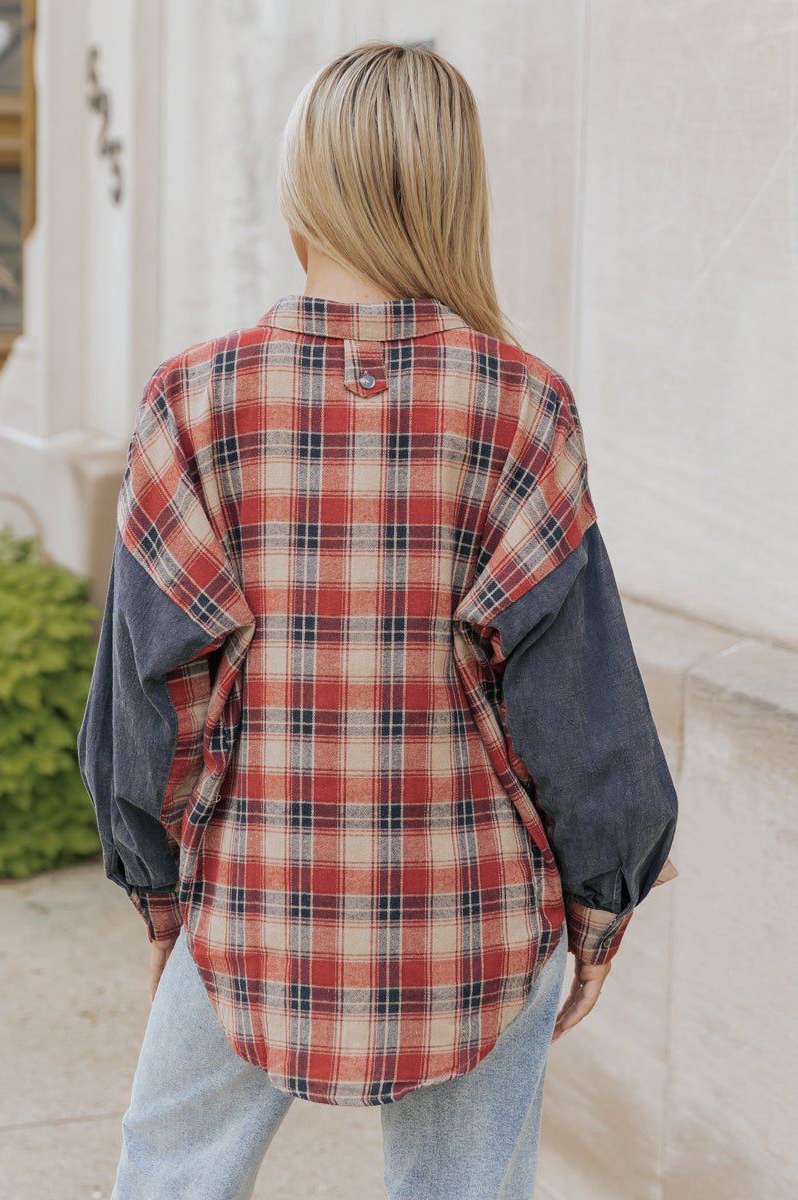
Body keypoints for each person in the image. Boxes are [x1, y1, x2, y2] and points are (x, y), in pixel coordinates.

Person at [77, 39, 679, 1200]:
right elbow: (574, 700)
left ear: (305, 183)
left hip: (249, 891)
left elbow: (152, 694)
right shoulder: (524, 407)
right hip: (477, 914)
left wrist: (157, 890)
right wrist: (599, 906)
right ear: (455, 190)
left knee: (169, 1172)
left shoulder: (190, 403)